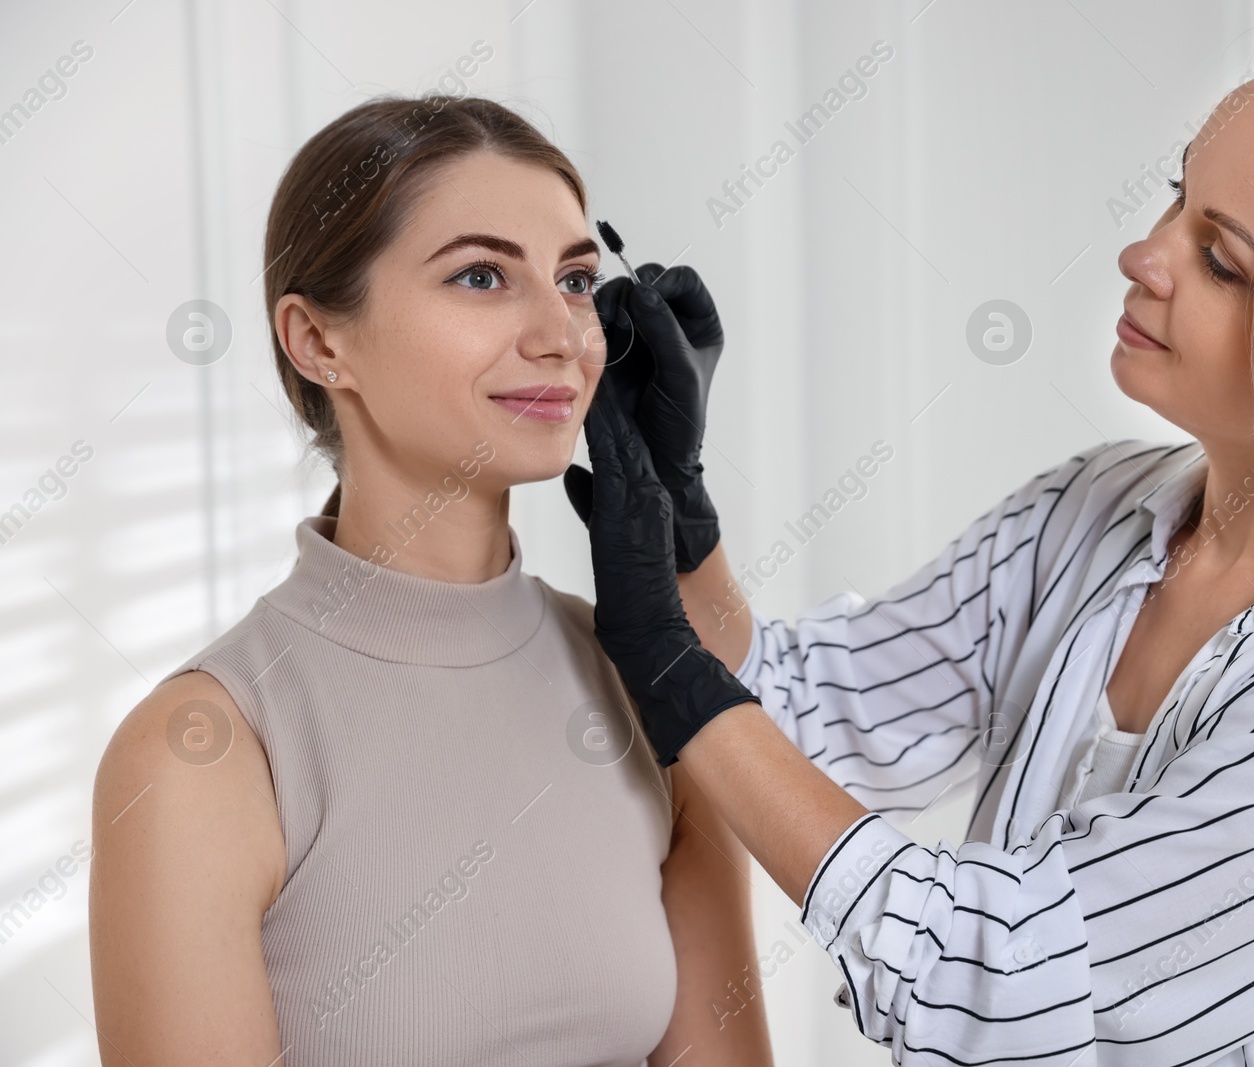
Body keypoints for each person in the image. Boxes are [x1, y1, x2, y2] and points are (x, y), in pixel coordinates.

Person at [565, 34, 1254, 1064]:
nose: (1143, 256)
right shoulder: (1090, 510)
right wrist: (683, 523)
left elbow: (998, 979)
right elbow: (807, 722)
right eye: (1174, 198)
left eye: (1220, 258)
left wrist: (673, 669)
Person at [88, 96, 773, 1067]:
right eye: (482, 274)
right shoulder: (207, 749)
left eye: (577, 279)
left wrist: (687, 535)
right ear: (319, 340)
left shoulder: (652, 687)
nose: (561, 334)